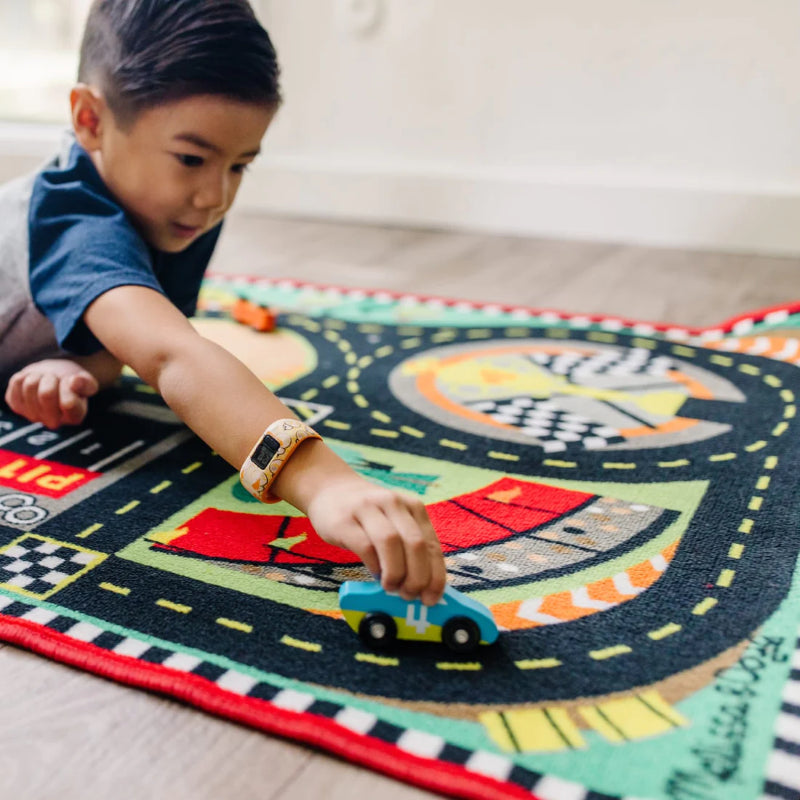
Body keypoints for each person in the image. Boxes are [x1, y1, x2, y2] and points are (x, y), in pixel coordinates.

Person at [0, 0, 446, 606]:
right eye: (192, 159)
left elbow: (147, 330)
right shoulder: (74, 221)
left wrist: (85, 366)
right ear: (89, 120)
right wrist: (324, 483)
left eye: (240, 165)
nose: (215, 196)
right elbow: (170, 355)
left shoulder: (176, 209)